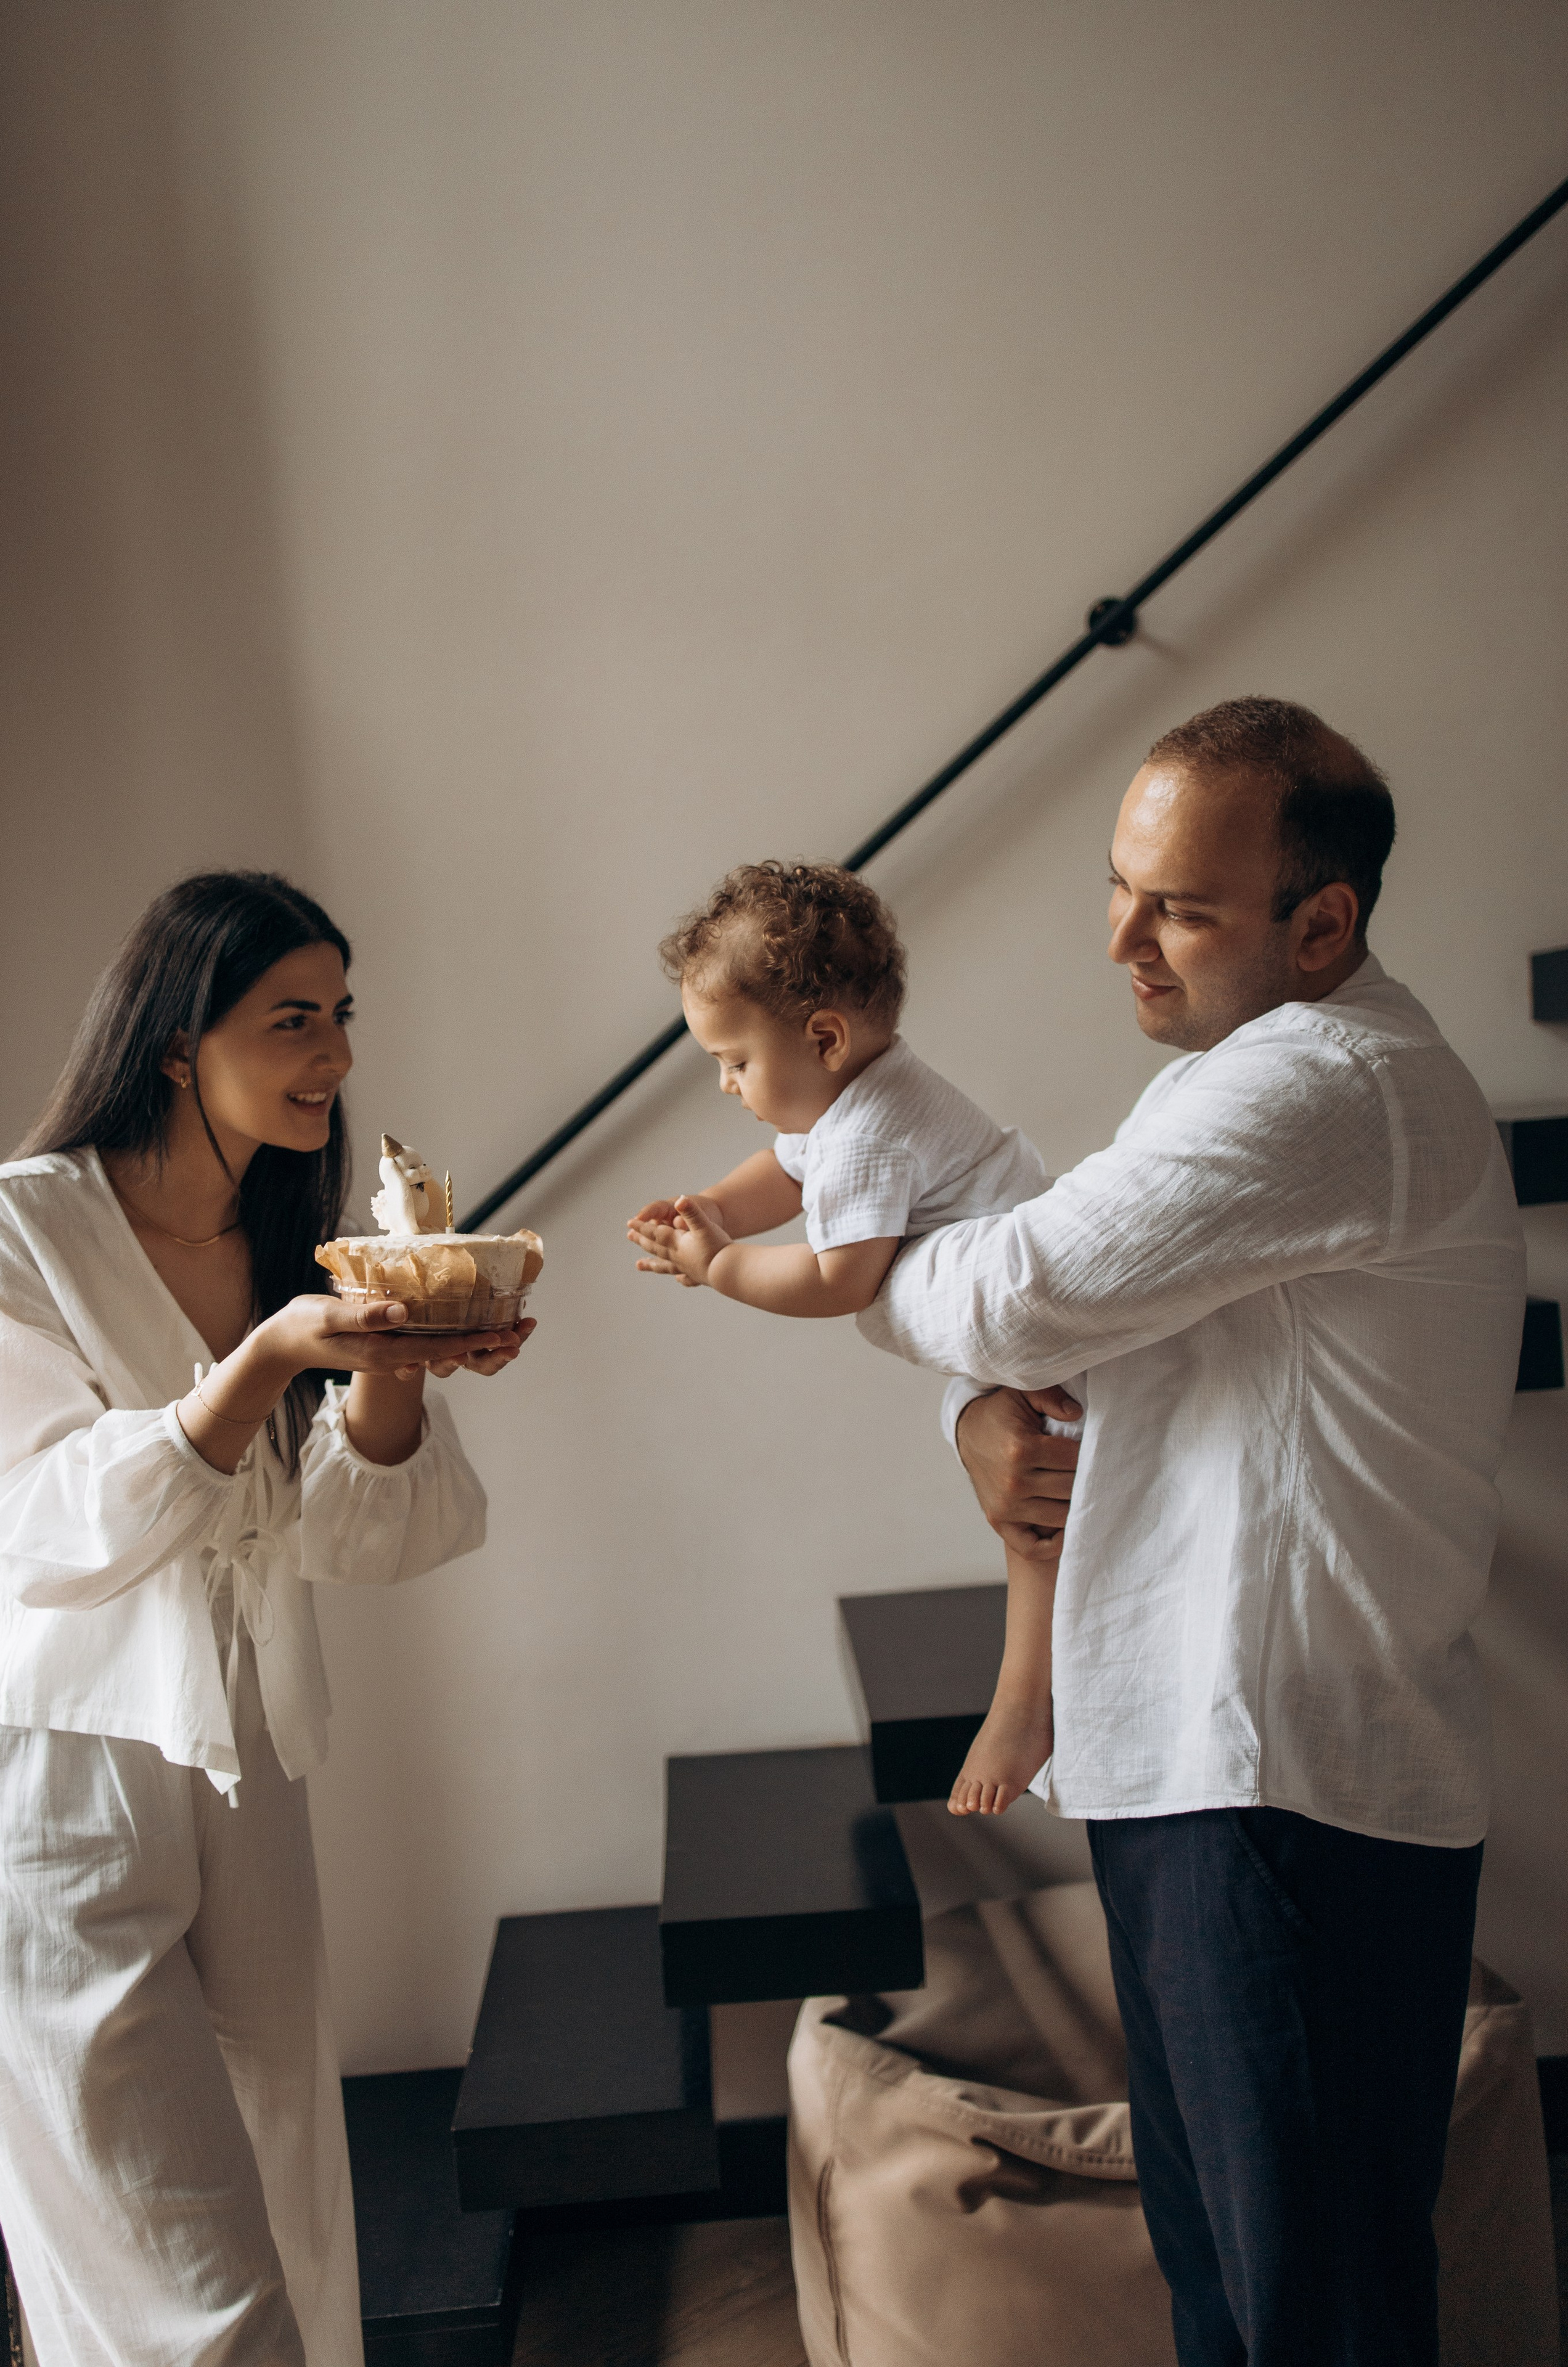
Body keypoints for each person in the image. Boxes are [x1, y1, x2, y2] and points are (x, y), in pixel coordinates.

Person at [859, 697, 1526, 2366]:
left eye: (1179, 908)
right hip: (1209, 1764)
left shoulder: (1325, 1085)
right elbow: (1059, 1332)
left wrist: (835, 1232)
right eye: (1119, 885)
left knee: (1313, 2304)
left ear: (1323, 923)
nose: (1120, 940)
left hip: (1285, 1782)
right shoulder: (1252, 1082)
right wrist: (977, 1419)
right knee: (1228, 2278)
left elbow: (1012, 1288)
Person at [0, 871, 534, 2367]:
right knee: (172, 2280)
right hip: (56, 1781)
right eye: (292, 1019)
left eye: (341, 1015)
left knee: (295, 2220)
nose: (336, 1057)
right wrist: (262, 1363)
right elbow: (38, 1528)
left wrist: (398, 1360)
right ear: (178, 1041)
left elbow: (366, 1540)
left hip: (248, 1758)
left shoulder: (297, 1240)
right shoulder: (18, 1232)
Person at [626, 859, 1078, 1813]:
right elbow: (787, 1173)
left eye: (735, 1061)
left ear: (823, 1038)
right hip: (1031, 1329)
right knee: (1037, 1516)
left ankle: (1023, 1708)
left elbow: (843, 1279)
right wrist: (711, 1208)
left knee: (1037, 1533)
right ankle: (1029, 1702)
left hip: (1063, 1333)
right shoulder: (852, 1099)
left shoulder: (873, 1131)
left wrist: (719, 1268)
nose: (724, 1083)